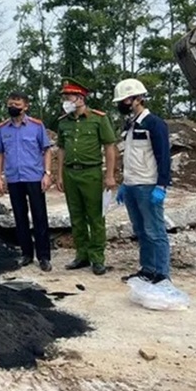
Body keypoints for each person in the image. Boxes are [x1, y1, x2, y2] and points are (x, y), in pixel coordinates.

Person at [112, 78, 173, 284]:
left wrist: (161, 185)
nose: (122, 104)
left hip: (148, 186)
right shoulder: (130, 125)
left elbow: (163, 156)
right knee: (140, 231)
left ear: (138, 98)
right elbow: (130, 157)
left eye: (125, 99)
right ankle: (147, 269)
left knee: (154, 231)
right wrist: (124, 183)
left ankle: (162, 274)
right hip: (131, 186)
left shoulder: (154, 124)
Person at [56, 78, 117, 275]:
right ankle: (81, 255)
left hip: (91, 172)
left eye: (69, 96)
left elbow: (109, 147)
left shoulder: (98, 118)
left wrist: (109, 175)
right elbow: (62, 149)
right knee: (76, 216)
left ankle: (97, 258)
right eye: (64, 97)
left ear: (80, 98)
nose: (66, 100)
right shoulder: (63, 122)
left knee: (95, 216)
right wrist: (59, 175)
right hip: (70, 172)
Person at [0, 91, 53, 271]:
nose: (13, 108)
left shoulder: (36, 126)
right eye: (10, 104)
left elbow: (46, 149)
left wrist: (47, 173)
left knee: (40, 216)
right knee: (20, 217)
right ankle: (26, 254)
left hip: (34, 177)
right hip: (14, 178)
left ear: (25, 107)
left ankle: (44, 257)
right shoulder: (3, 128)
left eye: (17, 105)